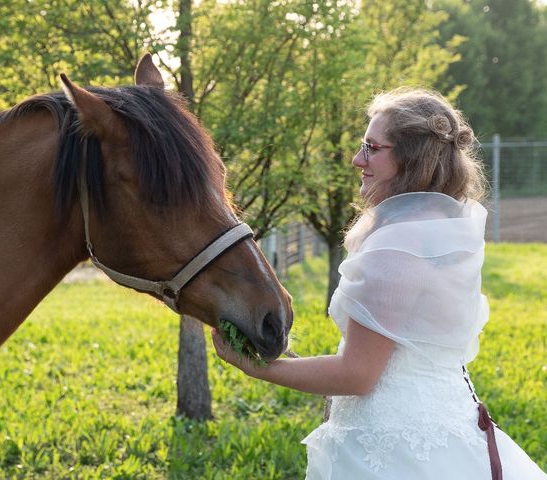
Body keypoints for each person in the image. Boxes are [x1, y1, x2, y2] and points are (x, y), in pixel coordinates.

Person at [211, 87, 547, 479]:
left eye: (372, 148)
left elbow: (358, 374)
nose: (358, 160)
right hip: (444, 422)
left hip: (396, 450)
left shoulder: (397, 246)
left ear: (411, 160)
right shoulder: (436, 233)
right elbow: (398, 358)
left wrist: (258, 368)